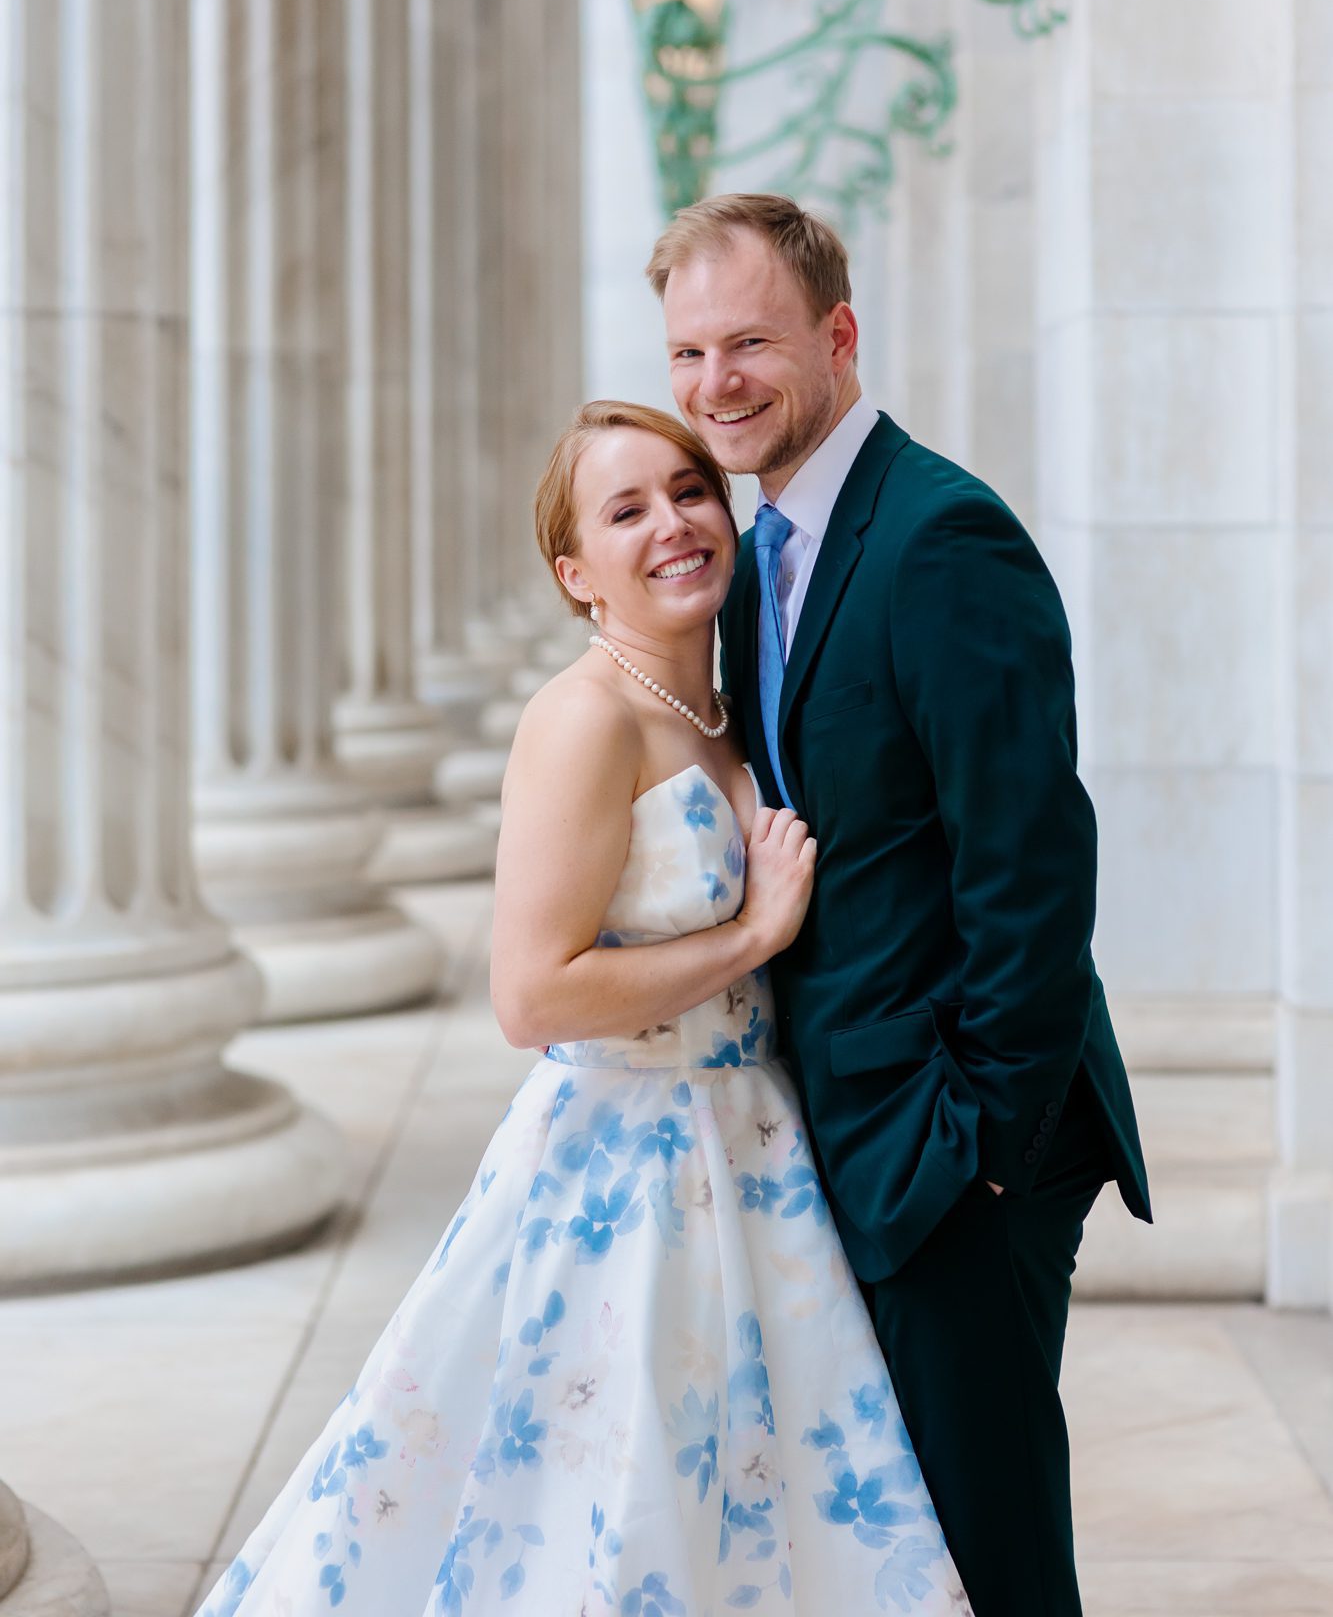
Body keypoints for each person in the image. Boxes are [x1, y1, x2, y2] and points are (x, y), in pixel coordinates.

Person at [194, 399, 973, 1617]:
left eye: (688, 488)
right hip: (624, 1159)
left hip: (754, 1147)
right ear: (576, 572)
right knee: (608, 1504)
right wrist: (751, 933)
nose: (673, 521)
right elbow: (531, 992)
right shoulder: (581, 719)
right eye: (626, 509)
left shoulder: (732, 704)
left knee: (763, 1493)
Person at [650, 191, 1152, 1617]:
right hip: (858, 1131)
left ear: (839, 336)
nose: (713, 386)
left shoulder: (942, 538)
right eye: (687, 355)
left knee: (987, 1547)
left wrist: (983, 1137)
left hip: (958, 1143)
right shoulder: (762, 556)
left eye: (748, 343)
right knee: (902, 1546)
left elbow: (1032, 859)